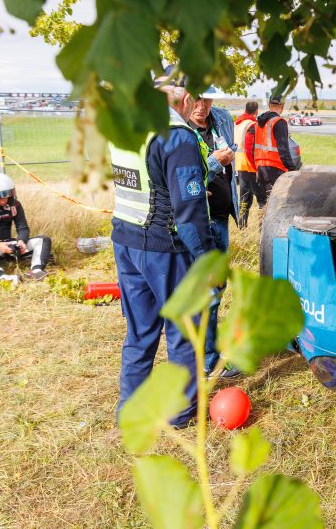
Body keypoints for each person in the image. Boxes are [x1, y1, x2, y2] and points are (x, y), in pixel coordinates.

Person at [110, 67, 217, 428]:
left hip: (125, 241)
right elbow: (188, 214)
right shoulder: (177, 137)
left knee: (140, 331)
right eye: (196, 101)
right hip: (164, 248)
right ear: (186, 99)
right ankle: (181, 412)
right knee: (185, 330)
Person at [187, 89, 241, 378]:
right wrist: (212, 163)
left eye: (207, 100)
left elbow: (230, 152)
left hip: (219, 218)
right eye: (195, 100)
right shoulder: (180, 128)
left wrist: (230, 157)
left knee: (217, 289)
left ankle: (207, 355)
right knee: (205, 291)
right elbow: (185, 177)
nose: (201, 106)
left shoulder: (221, 118)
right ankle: (207, 361)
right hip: (196, 222)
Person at [254, 95, 299, 199]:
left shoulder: (258, 123)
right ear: (282, 106)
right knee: (278, 201)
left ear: (270, 105)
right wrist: (292, 168)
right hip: (274, 168)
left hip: (260, 167)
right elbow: (283, 149)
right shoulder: (279, 122)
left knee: (266, 202)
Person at [234, 101, 264, 226]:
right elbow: (250, 148)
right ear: (256, 111)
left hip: (239, 164)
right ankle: (263, 226)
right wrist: (256, 167)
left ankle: (242, 226)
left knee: (244, 197)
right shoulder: (252, 125)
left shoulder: (238, 123)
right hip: (249, 164)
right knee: (262, 198)